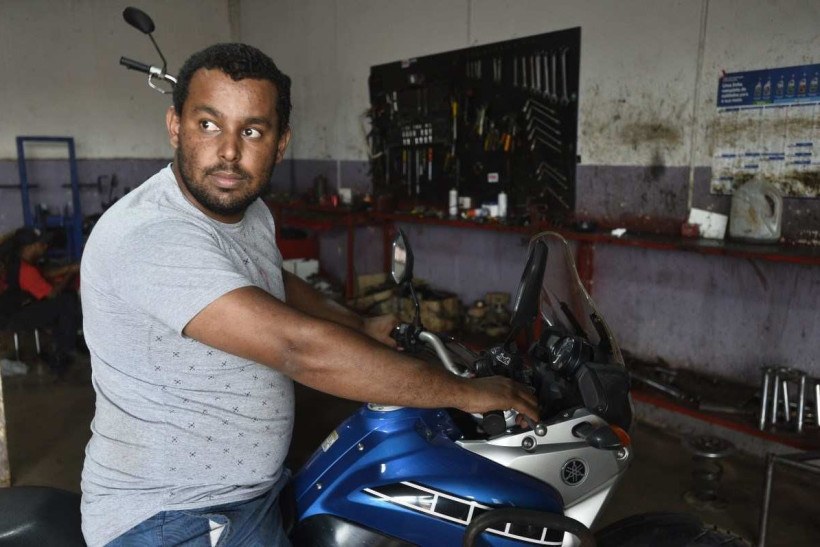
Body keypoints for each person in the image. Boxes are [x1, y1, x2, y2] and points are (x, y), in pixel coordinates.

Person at [80, 43, 538, 547]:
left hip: (247, 494)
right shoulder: (153, 234)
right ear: (175, 126)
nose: (229, 151)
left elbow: (274, 280)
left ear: (279, 143)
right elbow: (297, 348)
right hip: (176, 516)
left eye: (251, 130)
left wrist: (358, 326)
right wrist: (464, 393)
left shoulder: (246, 211)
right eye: (208, 125)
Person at [0, 227, 81, 375]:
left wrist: (67, 268)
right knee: (64, 302)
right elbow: (52, 294)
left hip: (18, 308)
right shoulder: (25, 270)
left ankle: (66, 339)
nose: (45, 246)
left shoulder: (17, 260)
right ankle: (63, 353)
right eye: (41, 244)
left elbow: (43, 273)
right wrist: (70, 273)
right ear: (30, 247)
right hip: (14, 317)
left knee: (66, 298)